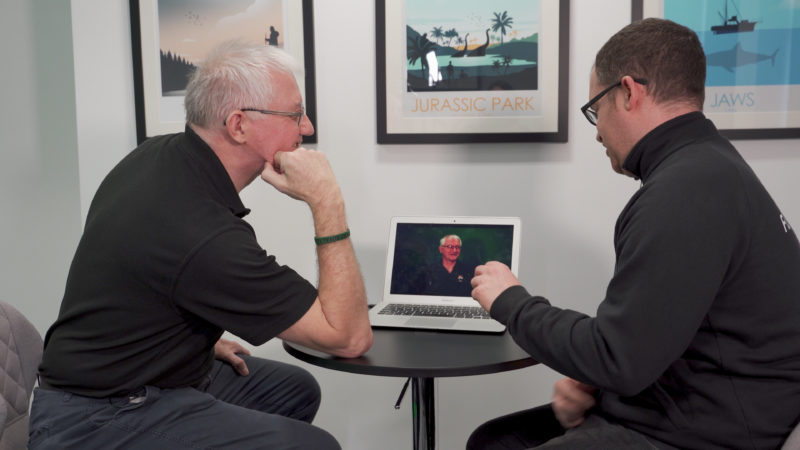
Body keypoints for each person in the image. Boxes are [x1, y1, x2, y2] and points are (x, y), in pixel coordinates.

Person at [468, 18, 800, 450]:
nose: (597, 132)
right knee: (493, 440)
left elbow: (617, 359)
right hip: (693, 403)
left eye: (596, 110)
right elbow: (650, 337)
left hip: (708, 432)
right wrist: (594, 379)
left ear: (628, 92)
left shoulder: (686, 191)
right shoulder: (709, 168)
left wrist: (512, 302)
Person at [29, 40, 373, 449]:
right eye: (295, 114)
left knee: (293, 389)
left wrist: (190, 344)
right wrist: (327, 203)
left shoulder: (157, 155)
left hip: (130, 378)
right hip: (91, 420)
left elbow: (137, 283)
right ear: (238, 125)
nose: (307, 127)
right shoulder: (201, 232)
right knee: (314, 446)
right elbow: (348, 338)